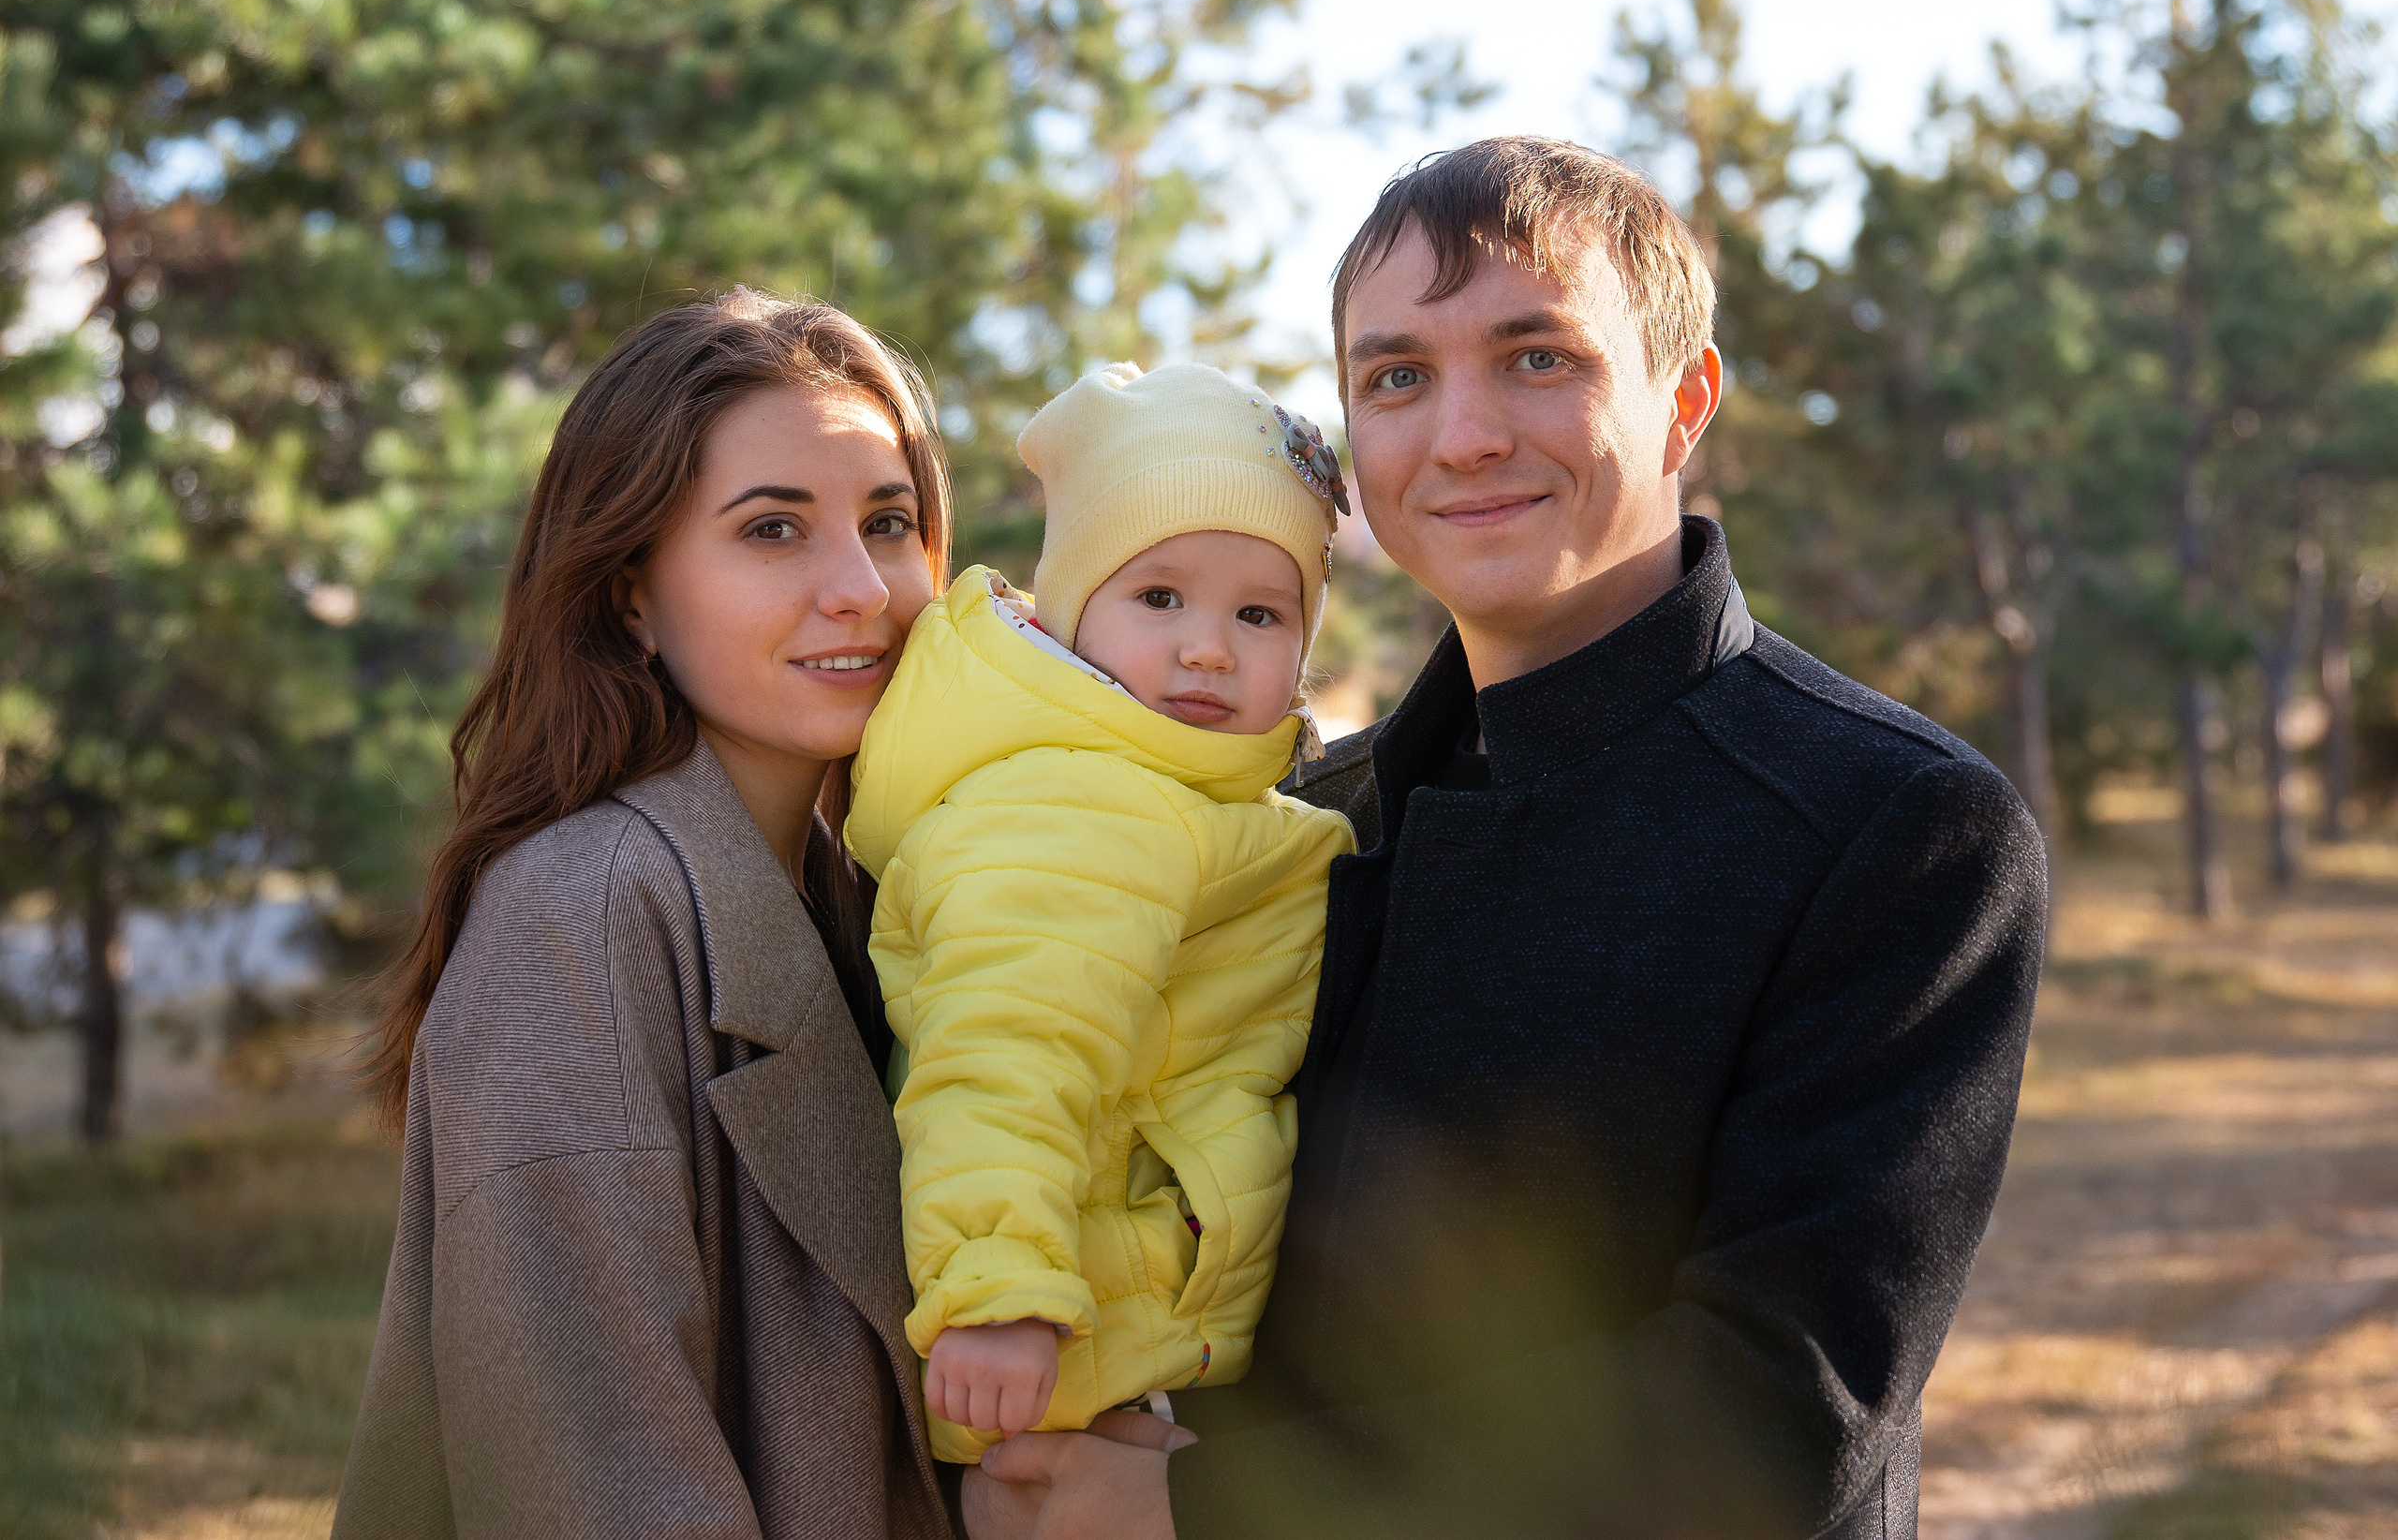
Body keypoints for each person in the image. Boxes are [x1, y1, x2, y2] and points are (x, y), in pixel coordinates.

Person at [966, 138, 2047, 1540]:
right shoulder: (1296, 819)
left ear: (1686, 399)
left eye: (1538, 356)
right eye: (1396, 376)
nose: (1462, 433)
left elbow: (1772, 1410)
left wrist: (1200, 1499)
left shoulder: (1894, 823)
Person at [333, 290, 957, 1539]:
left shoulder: (876, 893)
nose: (863, 588)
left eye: (889, 523)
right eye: (773, 528)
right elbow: (597, 1477)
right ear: (630, 594)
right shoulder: (585, 909)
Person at [842, 362, 1354, 1464]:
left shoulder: (1174, 796)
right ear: (1069, 612)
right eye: (1158, 597)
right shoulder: (1076, 806)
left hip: (1122, 1345)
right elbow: (1007, 1049)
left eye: (1259, 613)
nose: (1209, 646)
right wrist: (999, 1290)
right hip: (1056, 1357)